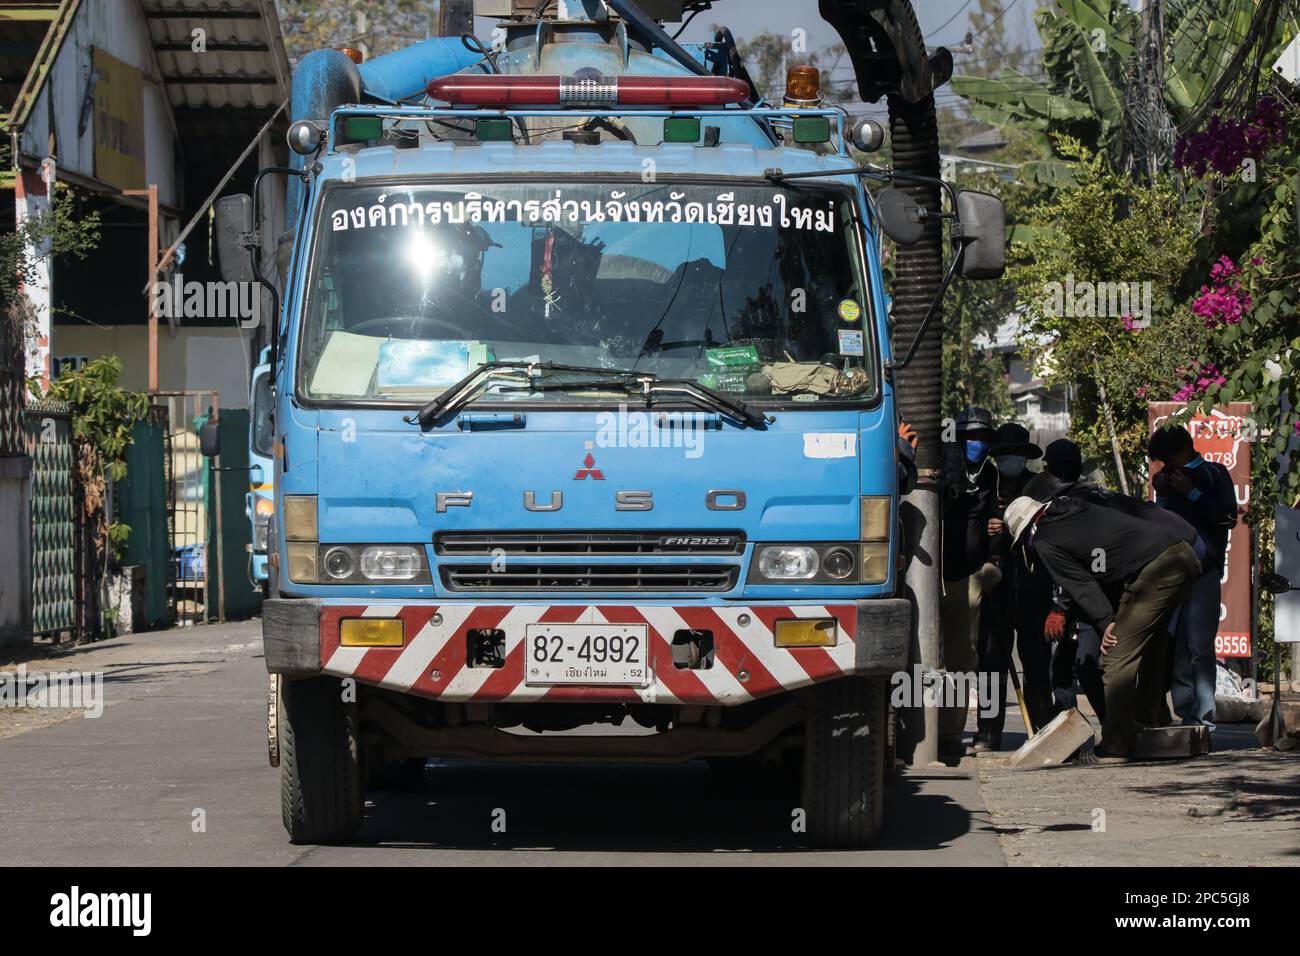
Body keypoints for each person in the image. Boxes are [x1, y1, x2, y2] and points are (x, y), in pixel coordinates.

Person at [1003, 493, 1201, 760]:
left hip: (1155, 568)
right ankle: (1150, 722)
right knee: (1153, 643)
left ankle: (1115, 744)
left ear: (1026, 531)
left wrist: (1107, 622)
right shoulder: (1078, 506)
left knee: (1116, 655)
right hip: (1181, 554)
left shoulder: (1043, 539)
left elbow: (1081, 584)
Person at [1149, 424, 1239, 728]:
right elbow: (1159, 524)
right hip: (1172, 572)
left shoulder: (1214, 473)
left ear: (1182, 452)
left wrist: (1192, 491)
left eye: (1167, 459)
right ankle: (1185, 710)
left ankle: (1204, 714)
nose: (1166, 467)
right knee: (1175, 642)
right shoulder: (1168, 482)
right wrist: (1162, 496)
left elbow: (1227, 518)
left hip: (1204, 573)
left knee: (1200, 643)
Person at [974, 422, 1049, 751]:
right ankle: (988, 733)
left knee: (1035, 661)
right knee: (991, 663)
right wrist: (987, 531)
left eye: (1016, 455)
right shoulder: (985, 487)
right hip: (995, 589)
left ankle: (1042, 729)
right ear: (996, 457)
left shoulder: (1039, 489)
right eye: (1005, 455)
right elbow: (970, 531)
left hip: (1032, 587)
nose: (1010, 461)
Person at [938, 407, 999, 757]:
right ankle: (918, 730)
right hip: (931, 578)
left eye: (983, 438)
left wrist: (996, 533)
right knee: (927, 659)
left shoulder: (987, 474)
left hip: (967, 578)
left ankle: (949, 733)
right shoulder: (945, 467)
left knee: (962, 659)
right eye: (972, 437)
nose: (978, 444)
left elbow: (993, 517)